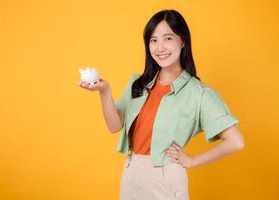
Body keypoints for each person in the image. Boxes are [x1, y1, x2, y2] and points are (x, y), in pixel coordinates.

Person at [77, 9, 245, 200]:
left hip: (166, 178)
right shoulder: (138, 84)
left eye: (168, 38)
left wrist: (191, 161)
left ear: (182, 41)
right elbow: (114, 126)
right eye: (153, 40)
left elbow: (236, 142)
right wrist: (104, 91)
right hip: (132, 173)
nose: (160, 47)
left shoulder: (199, 93)